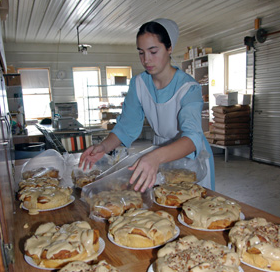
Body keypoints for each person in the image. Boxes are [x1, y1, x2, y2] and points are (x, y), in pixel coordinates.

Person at [79, 18, 215, 192]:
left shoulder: (188, 88)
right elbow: (126, 126)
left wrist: (155, 157)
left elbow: (193, 138)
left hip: (189, 155)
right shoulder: (139, 84)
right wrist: (104, 147)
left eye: (153, 51)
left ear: (169, 47)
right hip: (159, 153)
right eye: (141, 52)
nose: (146, 60)